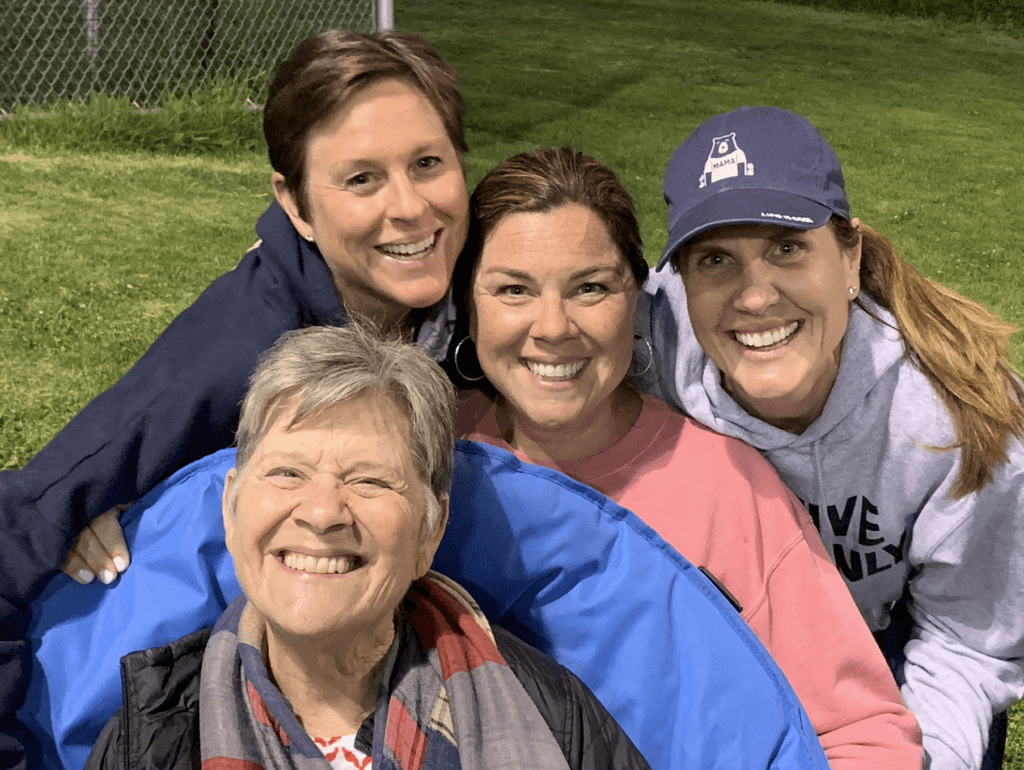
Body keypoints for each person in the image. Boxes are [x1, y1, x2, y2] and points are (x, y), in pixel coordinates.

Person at [0, 29, 470, 769]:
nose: (410, 207)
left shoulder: (473, 282)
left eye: (428, 163)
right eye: (361, 180)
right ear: (295, 204)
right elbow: (17, 524)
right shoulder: (236, 351)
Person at [450, 147, 923, 769]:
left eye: (590, 287)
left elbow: (860, 730)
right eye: (514, 289)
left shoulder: (723, 484)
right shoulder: (430, 451)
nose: (553, 327)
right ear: (469, 303)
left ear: (637, 299)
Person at [639, 106, 1024, 770]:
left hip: (894, 648)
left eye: (786, 247)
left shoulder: (958, 418)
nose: (754, 298)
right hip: (737, 647)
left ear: (851, 256)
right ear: (680, 280)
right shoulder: (650, 350)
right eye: (716, 259)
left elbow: (967, 641)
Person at [82, 324, 651, 770]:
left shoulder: (554, 716)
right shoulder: (150, 734)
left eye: (370, 480)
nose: (323, 512)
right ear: (232, 508)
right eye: (286, 472)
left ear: (430, 529)